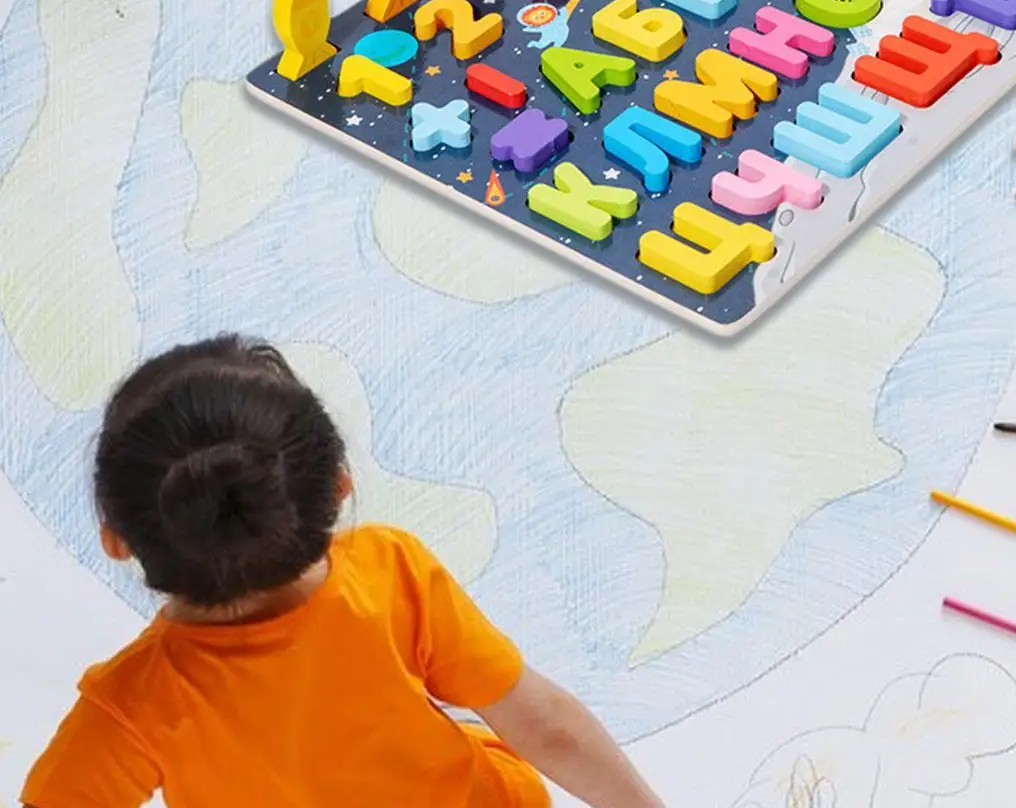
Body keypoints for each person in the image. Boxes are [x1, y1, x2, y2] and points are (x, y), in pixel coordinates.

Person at [21, 336, 665, 808]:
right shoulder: (390, 572)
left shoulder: (136, 700)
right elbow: (546, 727)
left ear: (114, 537)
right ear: (338, 486)